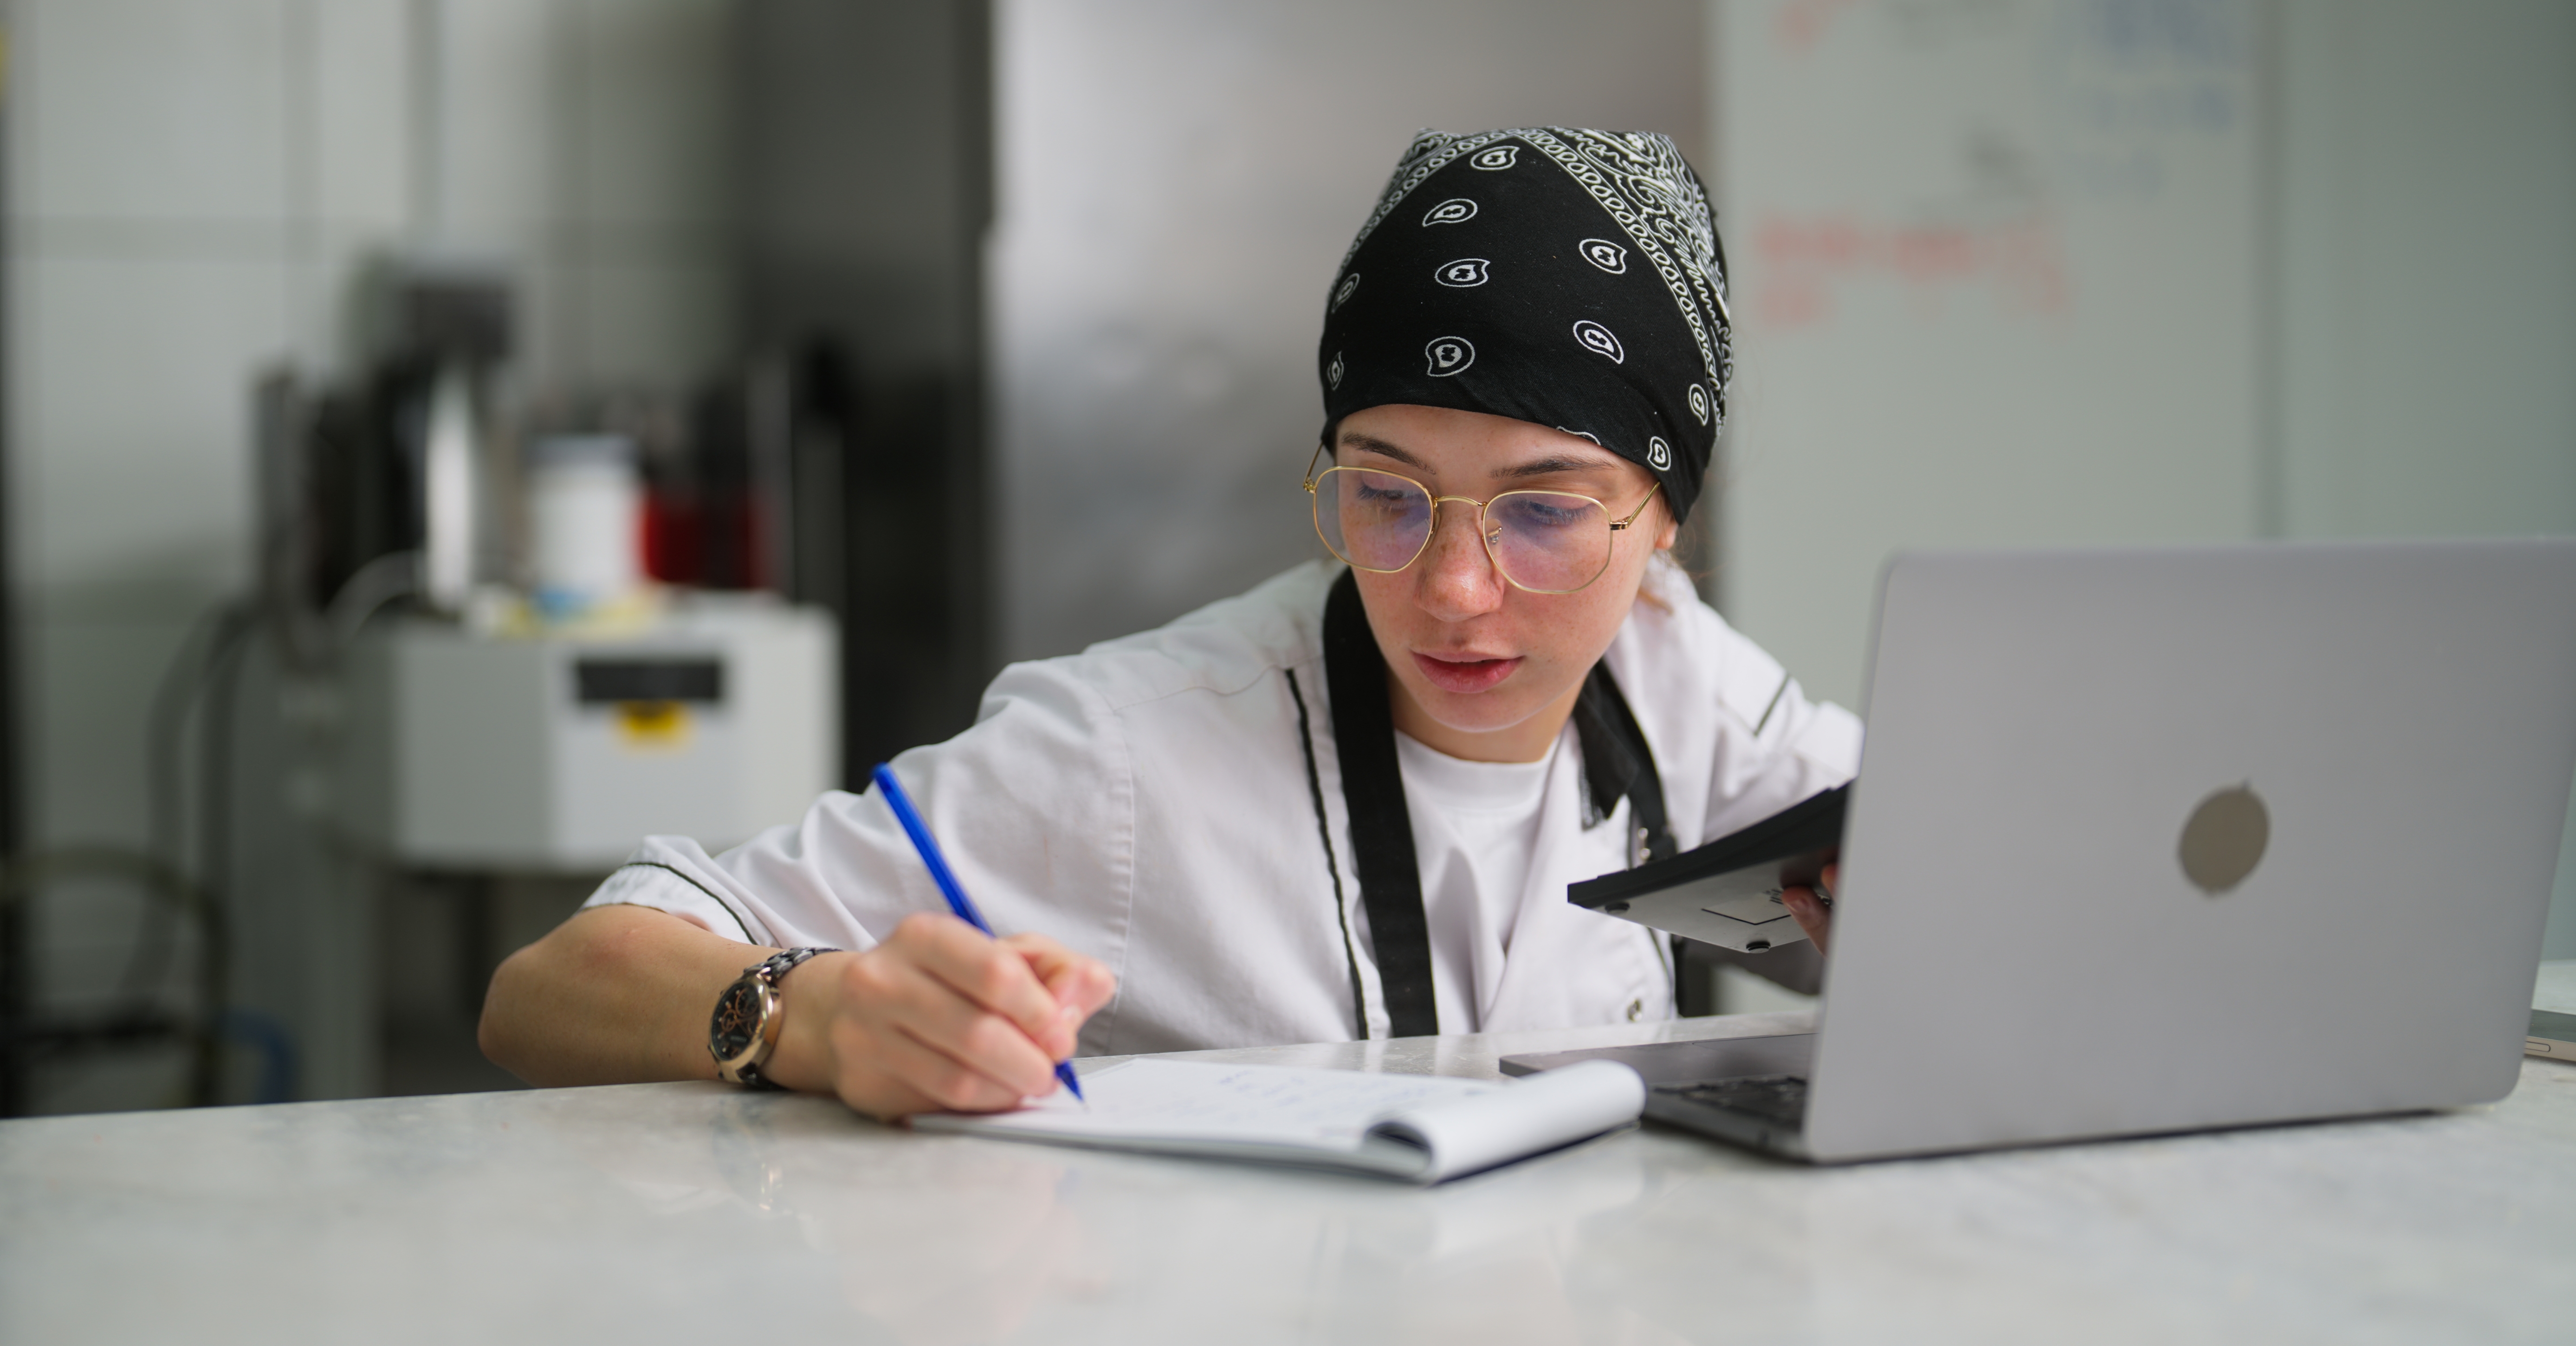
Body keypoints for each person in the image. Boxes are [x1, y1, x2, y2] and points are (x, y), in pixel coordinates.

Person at [479, 127, 1859, 1119]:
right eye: (1386, 495)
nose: (1450, 587)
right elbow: (548, 986)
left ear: (1666, 523)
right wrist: (811, 1016)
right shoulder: (1133, 755)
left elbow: (1931, 855)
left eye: (1543, 511)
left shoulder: (1677, 675)